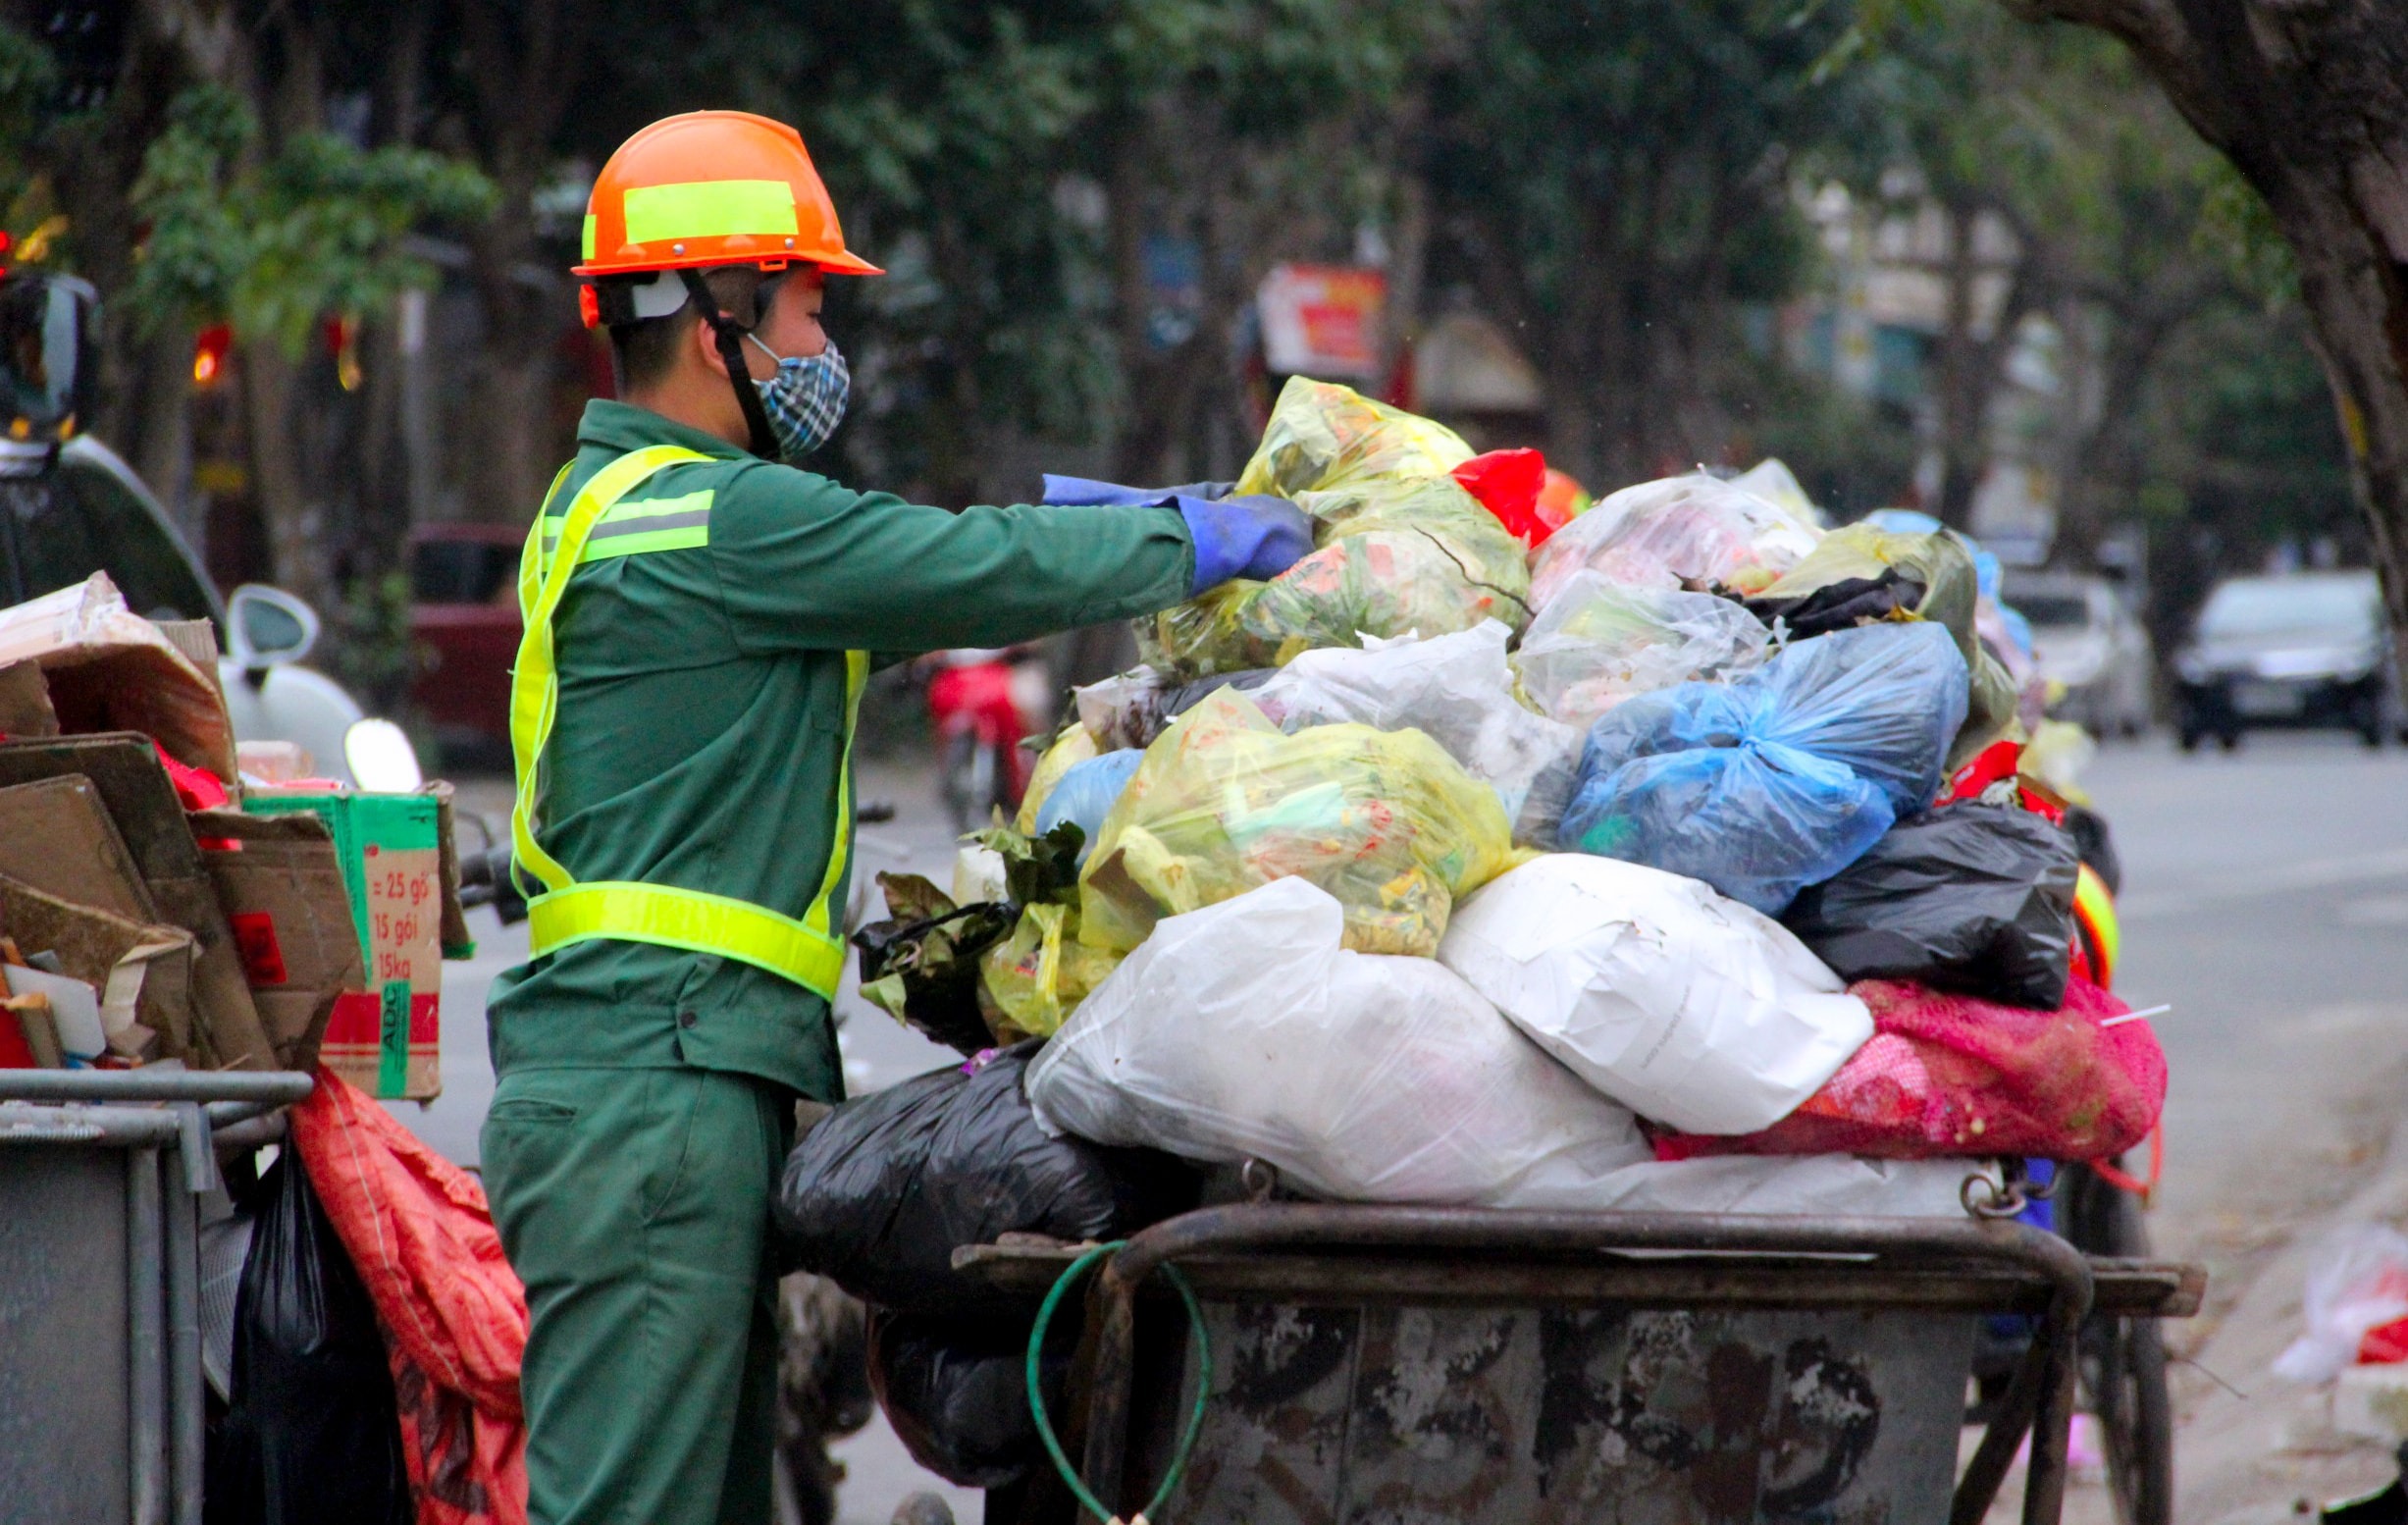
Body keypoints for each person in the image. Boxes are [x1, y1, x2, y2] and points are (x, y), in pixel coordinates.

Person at [481, 109, 1310, 1525]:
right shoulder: (718, 520)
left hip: (649, 1077)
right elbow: (956, 564)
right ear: (713, 313)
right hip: (655, 1088)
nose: (822, 346)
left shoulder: (609, 505)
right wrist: (1196, 531)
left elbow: (908, 582)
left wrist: (1090, 520)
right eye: (805, 303)